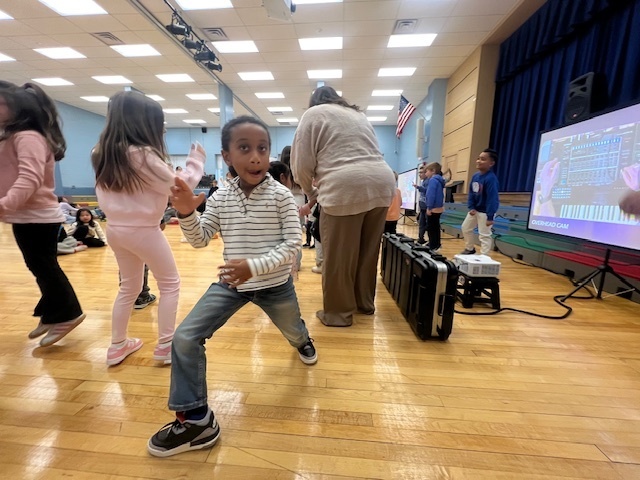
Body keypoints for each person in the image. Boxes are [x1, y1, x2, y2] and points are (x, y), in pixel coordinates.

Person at [147, 116, 317, 458]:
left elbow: (293, 245)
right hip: (230, 285)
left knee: (294, 331)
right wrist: (186, 214)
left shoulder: (282, 196)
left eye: (262, 148)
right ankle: (197, 419)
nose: (256, 156)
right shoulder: (221, 196)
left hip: (274, 285)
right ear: (226, 156)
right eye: (244, 148)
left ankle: (303, 340)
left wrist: (253, 266)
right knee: (184, 337)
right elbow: (200, 239)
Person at [92, 91, 205, 367]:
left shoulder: (102, 153)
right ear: (145, 124)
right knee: (170, 285)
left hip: (116, 230)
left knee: (128, 287)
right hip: (143, 230)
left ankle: (117, 345)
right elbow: (181, 186)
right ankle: (166, 345)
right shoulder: (143, 155)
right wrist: (196, 161)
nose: (162, 129)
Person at [291, 86, 396, 327]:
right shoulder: (358, 115)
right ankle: (364, 304)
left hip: (345, 186)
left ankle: (338, 314)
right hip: (382, 182)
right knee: (367, 253)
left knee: (339, 257)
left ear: (314, 101)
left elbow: (301, 165)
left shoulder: (314, 114)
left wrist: (310, 193)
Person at [0, 82, 85, 347]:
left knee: (45, 268)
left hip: (37, 216)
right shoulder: (15, 136)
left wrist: (4, 205)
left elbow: (30, 178)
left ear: (17, 107)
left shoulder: (28, 137)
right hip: (26, 215)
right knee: (39, 268)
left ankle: (69, 313)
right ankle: (52, 314)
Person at [460, 149, 500, 255]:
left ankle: (484, 256)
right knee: (466, 227)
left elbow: (493, 199)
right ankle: (470, 249)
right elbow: (472, 192)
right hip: (475, 210)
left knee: (484, 235)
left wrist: (490, 216)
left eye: (483, 159)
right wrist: (471, 207)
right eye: (478, 158)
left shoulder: (491, 179)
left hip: (485, 212)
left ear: (491, 163)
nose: (478, 161)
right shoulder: (475, 176)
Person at [424, 162, 445, 252]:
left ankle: (433, 245)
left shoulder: (433, 180)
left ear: (433, 171)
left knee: (431, 227)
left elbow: (431, 195)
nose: (425, 173)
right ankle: (436, 244)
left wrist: (429, 207)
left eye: (427, 171)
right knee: (436, 227)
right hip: (439, 207)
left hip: (433, 208)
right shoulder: (439, 180)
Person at [413, 166, 429, 244]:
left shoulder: (428, 181)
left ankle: (430, 241)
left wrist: (418, 187)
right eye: (419, 172)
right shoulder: (424, 181)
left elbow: (427, 191)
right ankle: (421, 239)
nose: (419, 174)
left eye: (421, 172)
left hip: (427, 207)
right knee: (421, 223)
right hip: (422, 206)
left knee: (427, 224)